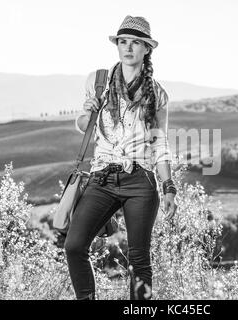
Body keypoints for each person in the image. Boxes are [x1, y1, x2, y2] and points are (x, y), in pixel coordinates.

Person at [64, 15, 177, 300]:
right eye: (123, 42)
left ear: (146, 49)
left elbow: (159, 144)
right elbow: (83, 127)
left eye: (135, 43)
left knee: (139, 260)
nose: (128, 48)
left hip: (140, 179)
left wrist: (169, 187)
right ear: (117, 45)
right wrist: (88, 112)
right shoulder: (98, 81)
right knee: (74, 246)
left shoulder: (158, 95)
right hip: (102, 176)